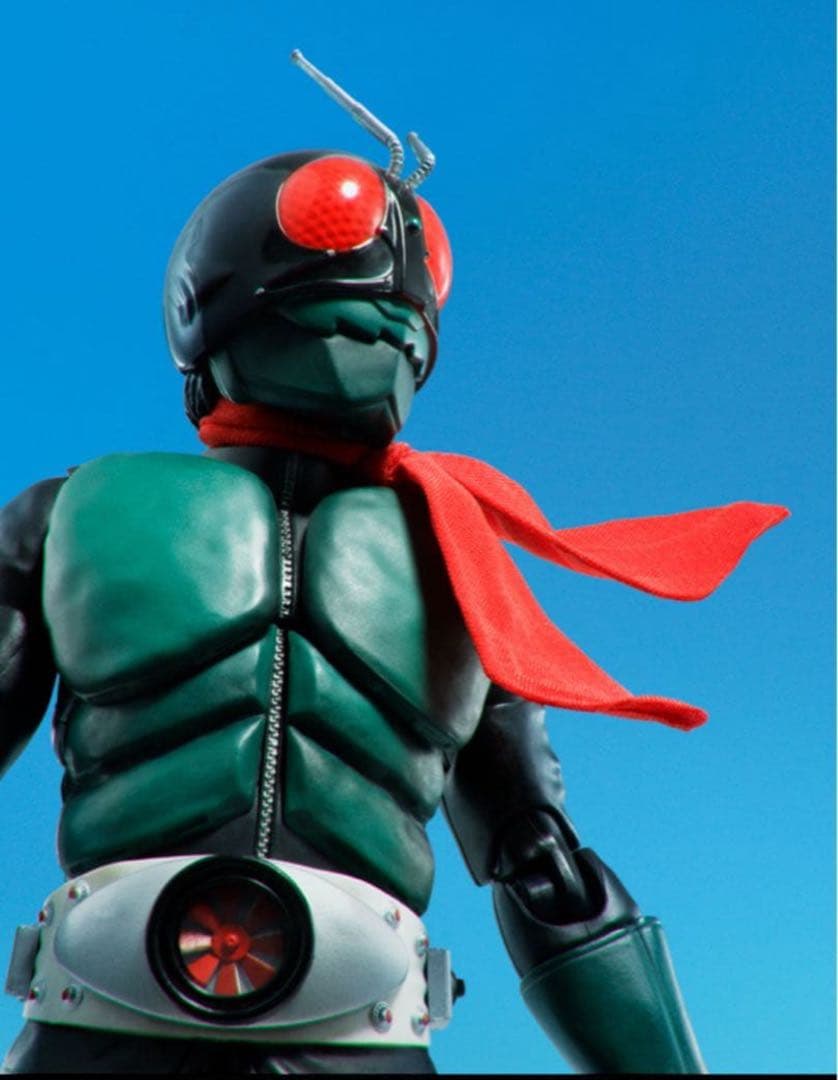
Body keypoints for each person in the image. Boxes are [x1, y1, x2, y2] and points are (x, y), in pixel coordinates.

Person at [0, 54, 785, 1074]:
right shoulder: (75, 515)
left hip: (357, 1025)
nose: (390, 291)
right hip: (102, 1015)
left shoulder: (457, 554)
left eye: (416, 270)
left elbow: (540, 860)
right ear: (213, 298)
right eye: (337, 225)